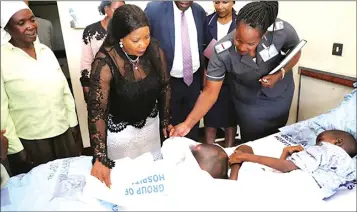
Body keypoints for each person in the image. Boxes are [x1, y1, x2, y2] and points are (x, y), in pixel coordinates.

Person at [170, 1, 302, 143]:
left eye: (250, 44)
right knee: (252, 141)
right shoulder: (222, 52)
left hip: (280, 95)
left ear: (263, 35)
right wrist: (187, 124)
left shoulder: (280, 31)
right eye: (238, 39)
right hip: (248, 102)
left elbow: (296, 50)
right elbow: (210, 93)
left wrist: (280, 73)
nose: (242, 47)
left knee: (278, 137)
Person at [88, 4, 171, 188]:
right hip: (121, 136)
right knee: (127, 184)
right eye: (136, 40)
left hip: (151, 128)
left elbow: (165, 85)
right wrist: (100, 156)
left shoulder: (155, 50)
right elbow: (97, 112)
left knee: (151, 180)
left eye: (147, 37)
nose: (143, 44)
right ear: (120, 38)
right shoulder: (104, 63)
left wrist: (165, 120)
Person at [1, 1, 80, 176]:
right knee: (40, 189)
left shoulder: (45, 51)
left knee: (68, 180)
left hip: (62, 132)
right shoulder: (3, 58)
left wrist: (73, 123)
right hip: (31, 141)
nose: (30, 26)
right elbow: (2, 110)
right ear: (7, 28)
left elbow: (64, 90)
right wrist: (16, 148)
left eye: (32, 19)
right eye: (21, 23)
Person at [229, 130, 357, 199]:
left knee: (245, 148)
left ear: (338, 141)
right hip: (312, 197)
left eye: (319, 141)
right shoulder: (350, 168)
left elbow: (287, 167)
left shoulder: (325, 149)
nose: (316, 145)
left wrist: (245, 156)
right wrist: (285, 152)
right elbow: (284, 171)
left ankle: (231, 184)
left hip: (292, 185)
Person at [145, 1, 206, 141]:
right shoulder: (154, 9)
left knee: (192, 125)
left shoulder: (199, 11)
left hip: (194, 79)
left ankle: (191, 156)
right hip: (167, 81)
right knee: (169, 128)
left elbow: (204, 43)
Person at [203, 1, 237, 147]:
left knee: (231, 118)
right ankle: (208, 150)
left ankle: (229, 151)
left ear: (233, 2)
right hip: (211, 74)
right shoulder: (207, 21)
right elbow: (202, 48)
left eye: (225, 2)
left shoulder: (241, 21)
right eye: (217, 2)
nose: (220, 6)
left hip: (234, 77)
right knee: (210, 117)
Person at [80, 0, 125, 102]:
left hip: (123, 85)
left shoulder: (125, 29)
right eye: (116, 10)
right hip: (99, 83)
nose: (121, 14)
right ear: (106, 9)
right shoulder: (91, 31)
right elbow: (86, 61)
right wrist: (86, 86)